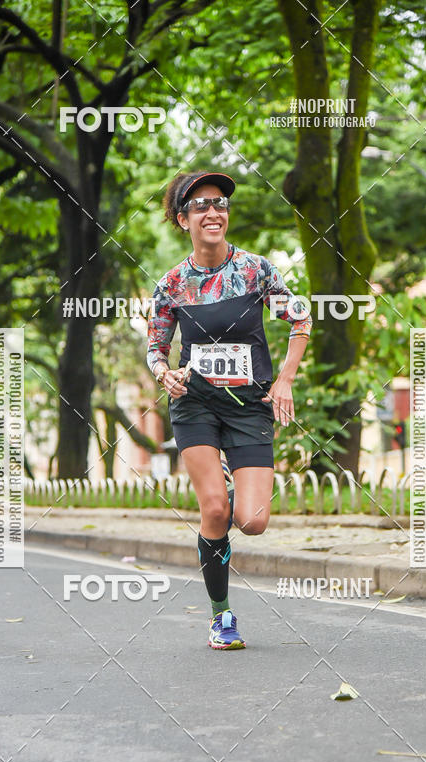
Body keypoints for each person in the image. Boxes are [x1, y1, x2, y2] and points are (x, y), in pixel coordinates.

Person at [147, 171, 311, 649]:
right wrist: (164, 374)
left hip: (248, 405)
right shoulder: (172, 284)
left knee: (252, 520)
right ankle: (221, 615)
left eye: (220, 203)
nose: (213, 212)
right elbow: (156, 348)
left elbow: (300, 319)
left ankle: (232, 479)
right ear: (183, 220)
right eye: (200, 205)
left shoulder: (256, 270)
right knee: (215, 510)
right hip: (195, 403)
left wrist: (285, 380)